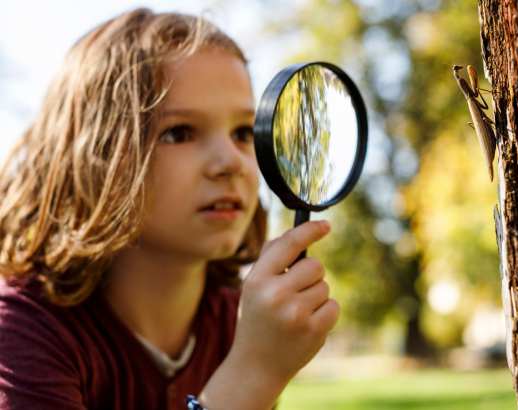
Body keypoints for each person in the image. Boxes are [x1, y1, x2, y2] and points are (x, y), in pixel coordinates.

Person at [0, 8, 339, 410]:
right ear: (96, 156)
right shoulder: (24, 329)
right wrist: (252, 375)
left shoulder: (238, 321)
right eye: (179, 132)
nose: (230, 162)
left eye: (244, 132)